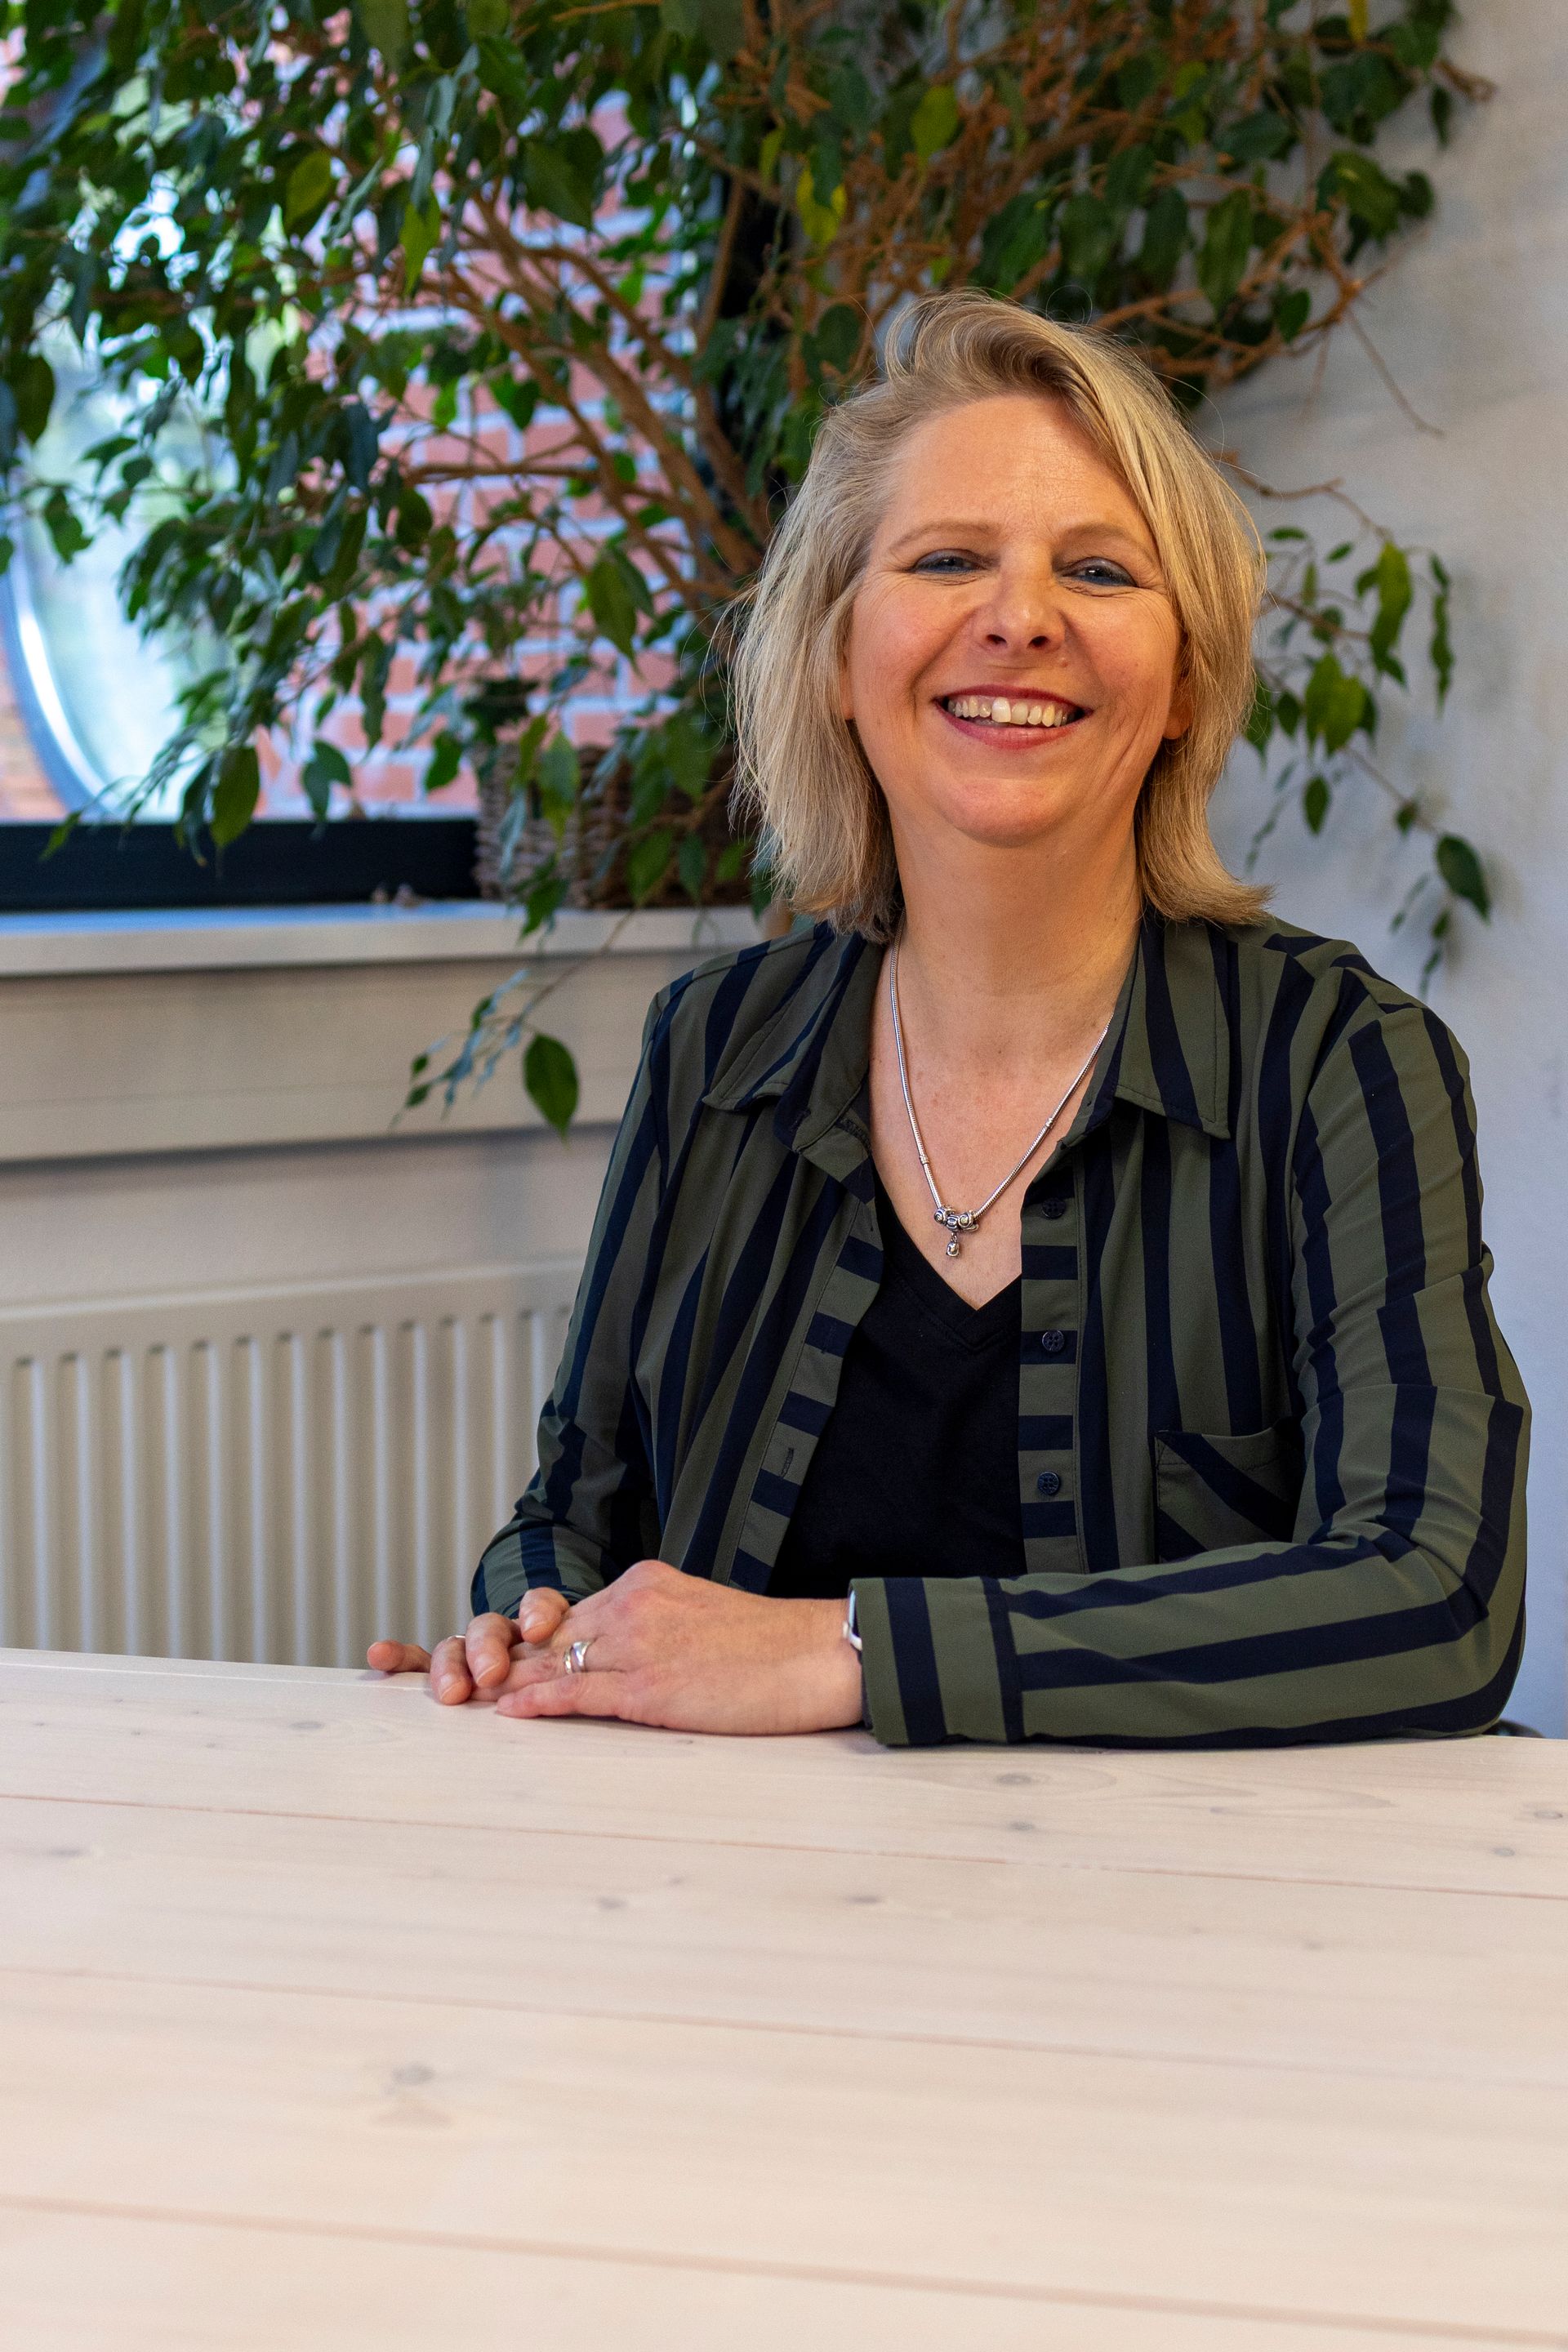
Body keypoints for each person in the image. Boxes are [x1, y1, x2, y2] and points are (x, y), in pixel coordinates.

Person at [369, 292, 1528, 1747]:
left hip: (1195, 1923)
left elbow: (1435, 1598)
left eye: (1101, 571)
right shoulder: (713, 1047)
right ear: (842, 661)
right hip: (736, 1906)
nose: (1023, 615)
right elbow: (573, 1518)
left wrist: (854, 1652)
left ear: (1181, 682)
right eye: (947, 558)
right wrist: (538, 1630)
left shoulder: (1342, 1061)